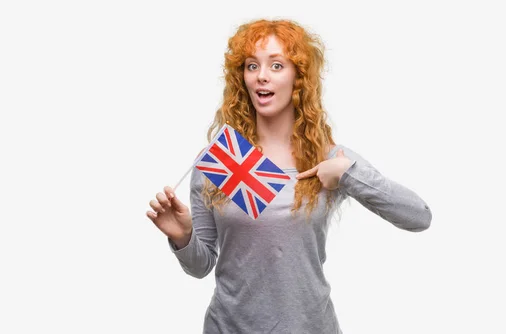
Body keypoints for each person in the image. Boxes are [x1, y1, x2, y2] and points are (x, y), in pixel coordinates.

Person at [146, 18, 432, 334]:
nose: (262, 77)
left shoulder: (330, 158)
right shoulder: (220, 159)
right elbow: (200, 266)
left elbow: (419, 217)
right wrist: (182, 237)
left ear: (299, 78)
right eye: (251, 66)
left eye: (277, 66)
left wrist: (348, 174)